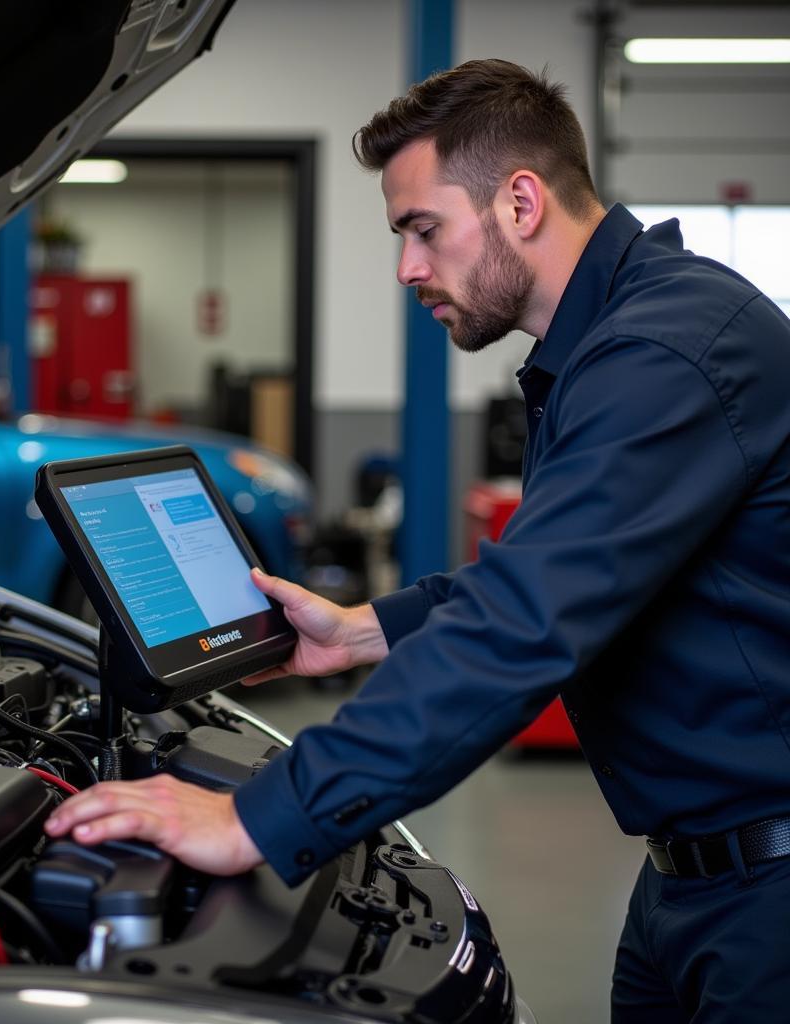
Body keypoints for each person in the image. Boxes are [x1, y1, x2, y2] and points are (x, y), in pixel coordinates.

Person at [45, 59, 790, 1021]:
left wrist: (257, 820)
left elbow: (522, 627)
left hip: (767, 897)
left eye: (422, 229)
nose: (406, 268)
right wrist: (362, 630)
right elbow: (550, 574)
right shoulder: (614, 341)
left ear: (521, 200)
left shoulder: (665, 351)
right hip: (688, 877)